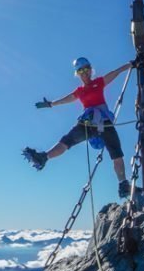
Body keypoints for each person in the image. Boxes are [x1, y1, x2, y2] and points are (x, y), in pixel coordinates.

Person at [23, 57, 133, 198]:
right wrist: (51, 104)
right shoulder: (80, 91)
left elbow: (115, 72)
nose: (84, 73)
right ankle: (43, 158)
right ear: (77, 73)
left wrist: (130, 65)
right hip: (87, 122)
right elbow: (66, 99)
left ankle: (123, 184)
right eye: (81, 70)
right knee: (67, 140)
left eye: (86, 69)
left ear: (90, 70)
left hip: (104, 122)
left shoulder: (98, 83)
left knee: (116, 153)